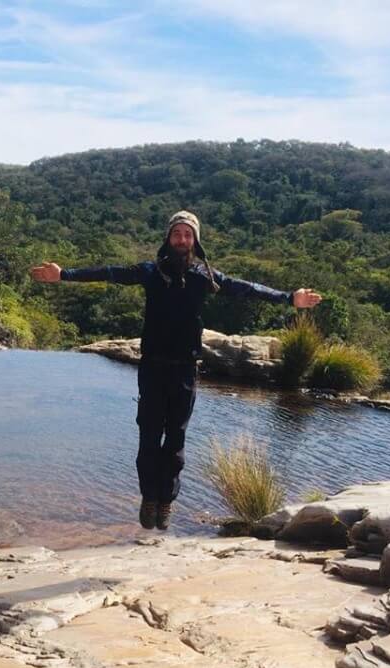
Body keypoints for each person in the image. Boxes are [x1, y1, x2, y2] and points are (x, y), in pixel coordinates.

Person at [30, 210, 322, 531]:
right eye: (177, 234)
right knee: (149, 437)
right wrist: (65, 275)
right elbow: (110, 273)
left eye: (188, 234)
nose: (182, 240)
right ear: (168, 238)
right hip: (152, 368)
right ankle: (149, 497)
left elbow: (246, 289)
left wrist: (288, 298)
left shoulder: (204, 277)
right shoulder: (150, 272)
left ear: (195, 241)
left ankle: (166, 501)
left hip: (185, 371)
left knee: (175, 442)